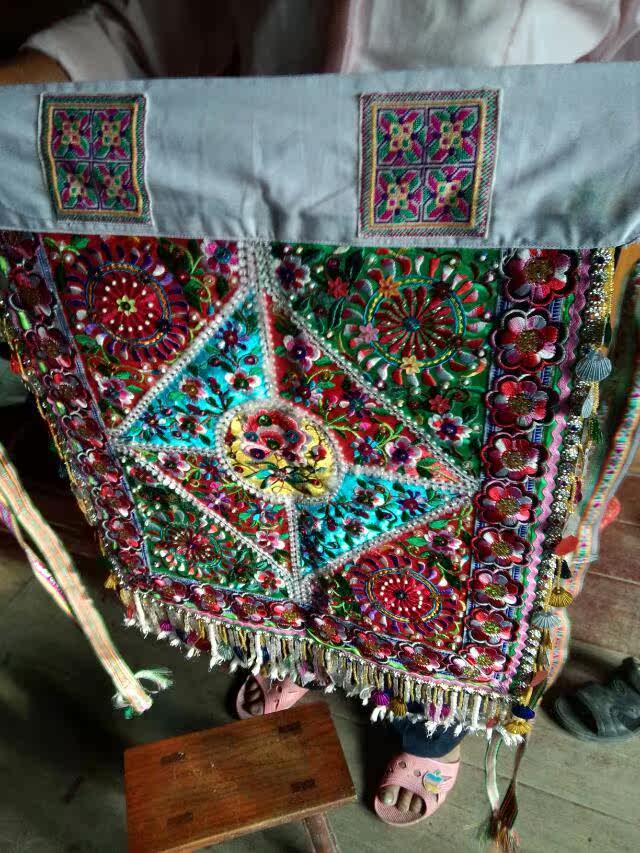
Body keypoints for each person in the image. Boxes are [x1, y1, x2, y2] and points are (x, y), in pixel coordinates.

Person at [3, 0, 640, 826]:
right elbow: (157, 23)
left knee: (442, 545)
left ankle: (429, 717)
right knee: (265, 509)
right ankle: (294, 646)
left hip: (469, 270)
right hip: (252, 234)